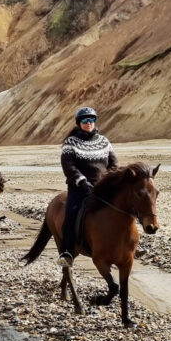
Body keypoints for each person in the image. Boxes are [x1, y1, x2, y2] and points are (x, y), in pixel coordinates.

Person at [58, 107, 118, 267]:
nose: (89, 123)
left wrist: (107, 180)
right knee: (70, 215)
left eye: (91, 120)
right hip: (79, 188)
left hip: (103, 187)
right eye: (85, 120)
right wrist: (83, 182)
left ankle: (128, 245)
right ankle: (67, 252)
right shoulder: (71, 142)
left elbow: (113, 163)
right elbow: (68, 166)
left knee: (124, 208)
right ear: (79, 123)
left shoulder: (104, 141)